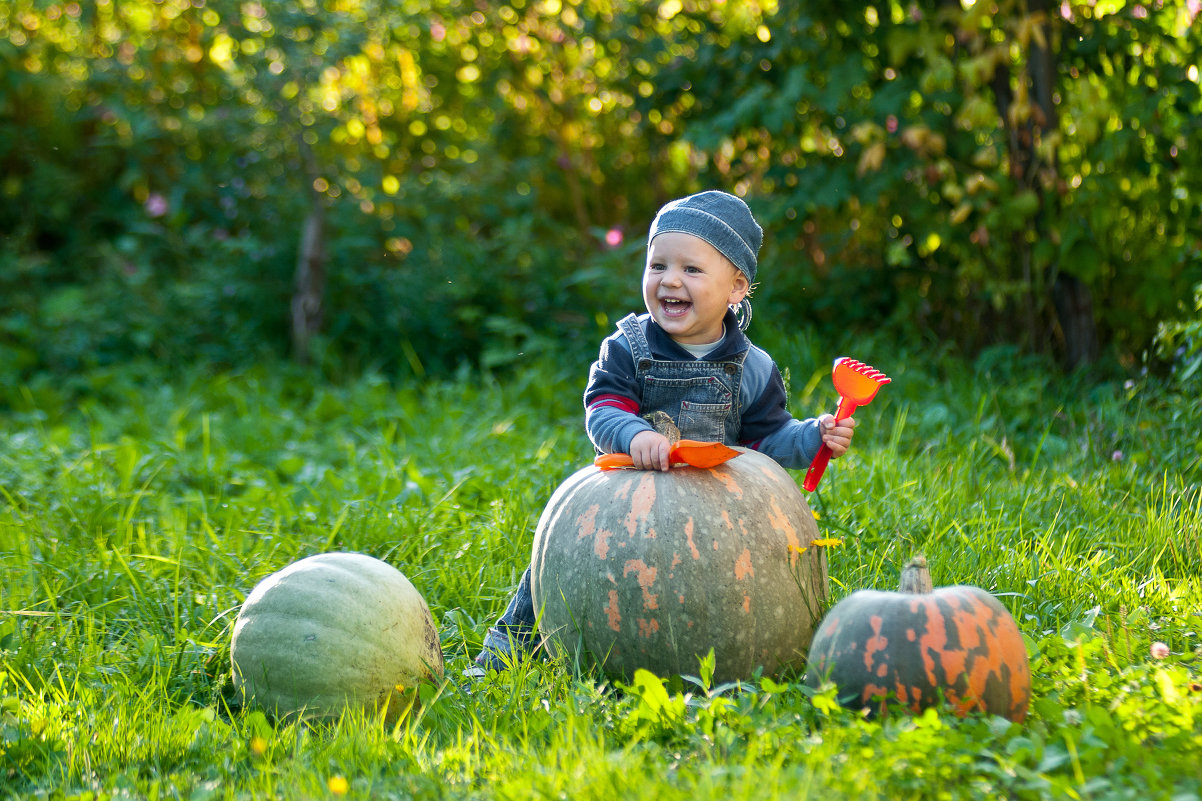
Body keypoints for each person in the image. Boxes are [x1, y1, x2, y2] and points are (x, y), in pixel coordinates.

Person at [470, 190, 857, 674]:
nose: (670, 280)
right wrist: (633, 435)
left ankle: (732, 657)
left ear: (737, 287)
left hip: (720, 518)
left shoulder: (753, 368)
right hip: (623, 505)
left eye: (691, 270)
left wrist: (813, 436)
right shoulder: (628, 348)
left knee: (755, 570)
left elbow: (765, 440)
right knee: (561, 558)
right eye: (658, 266)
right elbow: (603, 407)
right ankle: (507, 648)